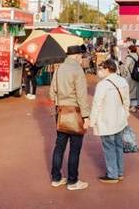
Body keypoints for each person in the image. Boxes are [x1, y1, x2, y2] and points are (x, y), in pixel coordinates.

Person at [50, 46, 91, 191]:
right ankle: (73, 181)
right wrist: (86, 116)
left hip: (61, 111)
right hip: (75, 112)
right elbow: (81, 96)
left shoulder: (59, 68)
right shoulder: (77, 70)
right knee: (75, 149)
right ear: (77, 56)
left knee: (59, 146)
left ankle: (56, 178)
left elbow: (52, 92)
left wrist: (59, 104)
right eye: (81, 56)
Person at [90, 59, 130, 184]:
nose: (100, 71)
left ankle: (112, 174)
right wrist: (126, 113)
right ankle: (120, 172)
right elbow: (126, 100)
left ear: (107, 69)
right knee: (118, 145)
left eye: (101, 68)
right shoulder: (122, 81)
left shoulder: (103, 85)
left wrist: (92, 121)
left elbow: (97, 104)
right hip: (119, 119)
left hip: (106, 120)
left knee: (109, 147)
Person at [120, 45, 139, 111]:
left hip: (130, 76)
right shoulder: (137, 56)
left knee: (129, 91)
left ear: (129, 50)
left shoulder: (129, 57)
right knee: (135, 91)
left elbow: (125, 67)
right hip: (137, 75)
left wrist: (123, 74)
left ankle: (130, 106)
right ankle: (134, 106)